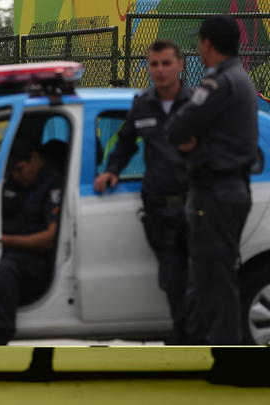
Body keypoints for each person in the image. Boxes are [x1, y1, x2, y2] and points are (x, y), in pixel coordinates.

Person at [165, 15, 258, 345]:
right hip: (228, 188)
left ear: (208, 43)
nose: (198, 47)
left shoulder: (217, 82)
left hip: (216, 191)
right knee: (212, 277)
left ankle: (226, 359)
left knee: (215, 281)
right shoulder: (239, 78)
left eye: (200, 41)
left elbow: (177, 128)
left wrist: (194, 141)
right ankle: (209, 351)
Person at [94, 39, 193, 344]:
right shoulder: (142, 105)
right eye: (154, 64)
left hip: (197, 205)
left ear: (180, 65)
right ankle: (182, 337)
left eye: (166, 63)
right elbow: (125, 143)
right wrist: (111, 170)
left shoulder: (197, 104)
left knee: (203, 278)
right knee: (171, 278)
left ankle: (203, 338)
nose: (160, 70)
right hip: (160, 209)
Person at [0, 141, 63, 345]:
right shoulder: (14, 183)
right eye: (12, 171)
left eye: (19, 169)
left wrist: (4, 240)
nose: (15, 175)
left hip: (36, 261)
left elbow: (50, 238)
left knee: (3, 268)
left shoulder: (53, 184)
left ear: (36, 159)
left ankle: (1, 333)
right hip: (8, 249)